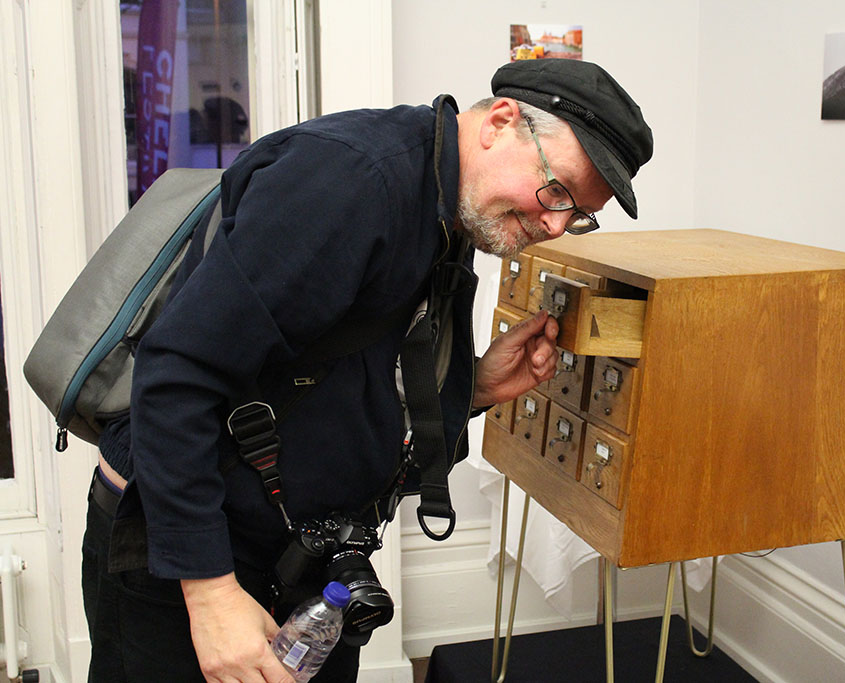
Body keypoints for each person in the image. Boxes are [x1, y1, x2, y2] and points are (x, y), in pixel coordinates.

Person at [81, 58, 653, 682]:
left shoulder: (454, 207)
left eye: (577, 215)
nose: (555, 225)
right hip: (194, 542)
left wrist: (476, 387)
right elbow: (176, 373)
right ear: (501, 122)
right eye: (558, 193)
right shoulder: (351, 182)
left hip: (303, 555)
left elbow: (350, 371)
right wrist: (211, 595)